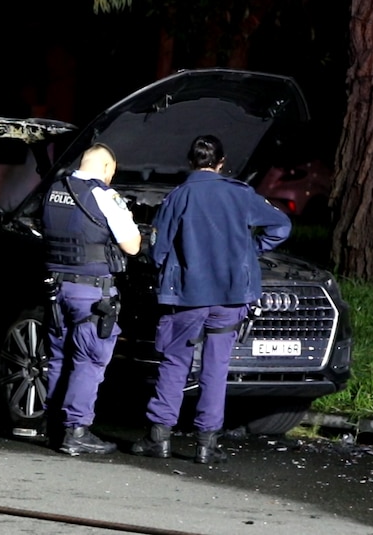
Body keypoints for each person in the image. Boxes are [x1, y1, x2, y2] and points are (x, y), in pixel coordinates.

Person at [130, 134, 291, 464]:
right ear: (221, 163)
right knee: (216, 368)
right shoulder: (241, 194)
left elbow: (158, 250)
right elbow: (281, 226)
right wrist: (251, 251)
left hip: (187, 295)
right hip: (231, 296)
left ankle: (159, 437)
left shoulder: (179, 196)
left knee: (175, 364)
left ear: (191, 162)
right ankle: (207, 444)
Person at [42, 142, 142, 456]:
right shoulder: (104, 196)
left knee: (59, 358)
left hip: (56, 291)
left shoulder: (52, 190)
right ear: (106, 168)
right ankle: (77, 431)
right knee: (89, 361)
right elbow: (132, 246)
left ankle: (55, 428)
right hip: (91, 293)